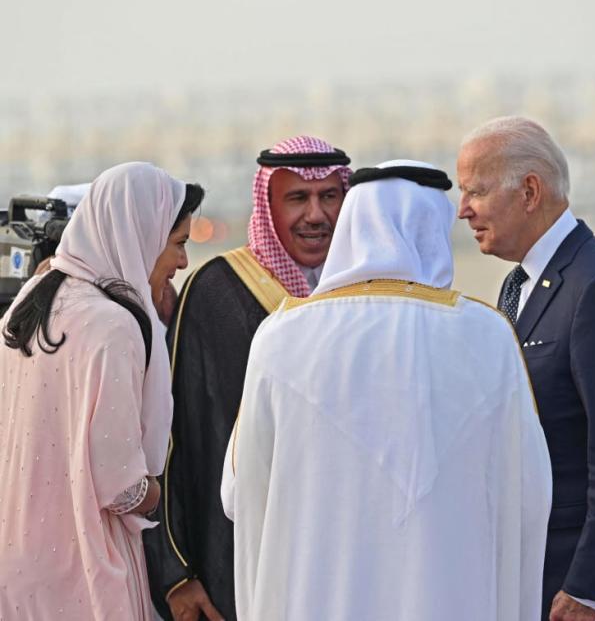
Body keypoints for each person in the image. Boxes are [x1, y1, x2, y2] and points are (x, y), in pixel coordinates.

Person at [221, 160, 553, 621]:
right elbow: (530, 494)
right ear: (433, 227)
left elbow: (237, 491)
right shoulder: (488, 336)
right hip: (448, 595)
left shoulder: (281, 335)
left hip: (319, 597)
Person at [457, 116, 595, 621]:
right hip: (544, 570)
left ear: (530, 191)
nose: (462, 210)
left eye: (475, 191)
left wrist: (590, 585)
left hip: (591, 589)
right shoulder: (520, 285)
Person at [144, 135, 351, 621]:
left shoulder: (367, 292)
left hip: (340, 555)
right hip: (233, 558)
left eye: (329, 197)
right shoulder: (216, 289)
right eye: (297, 198)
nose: (316, 215)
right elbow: (172, 437)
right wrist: (176, 572)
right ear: (268, 204)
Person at [0, 162, 204, 620]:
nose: (183, 262)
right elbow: (120, 485)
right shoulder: (113, 326)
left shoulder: (29, 300)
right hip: (81, 571)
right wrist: (156, 493)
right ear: (141, 236)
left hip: (16, 562)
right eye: (178, 244)